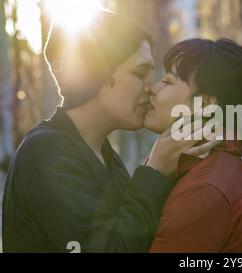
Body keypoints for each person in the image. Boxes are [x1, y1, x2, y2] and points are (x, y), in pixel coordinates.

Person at [1, 11, 219, 253]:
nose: (151, 87)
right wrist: (155, 171)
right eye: (139, 73)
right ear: (97, 73)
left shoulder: (105, 156)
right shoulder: (46, 154)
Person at [146, 38, 242, 252]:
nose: (152, 88)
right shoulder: (199, 171)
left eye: (167, 82)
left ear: (205, 104)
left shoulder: (205, 188)